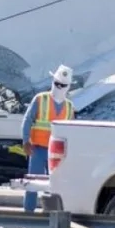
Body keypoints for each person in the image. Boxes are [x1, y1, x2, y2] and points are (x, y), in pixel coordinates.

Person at [21, 64, 75, 212]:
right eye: (57, 84)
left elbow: (70, 131)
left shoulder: (69, 107)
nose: (59, 87)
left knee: (56, 184)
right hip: (38, 149)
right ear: (53, 82)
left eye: (62, 85)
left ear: (68, 86)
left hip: (57, 153)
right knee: (32, 184)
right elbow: (27, 120)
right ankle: (28, 213)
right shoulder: (40, 99)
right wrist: (25, 140)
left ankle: (52, 213)